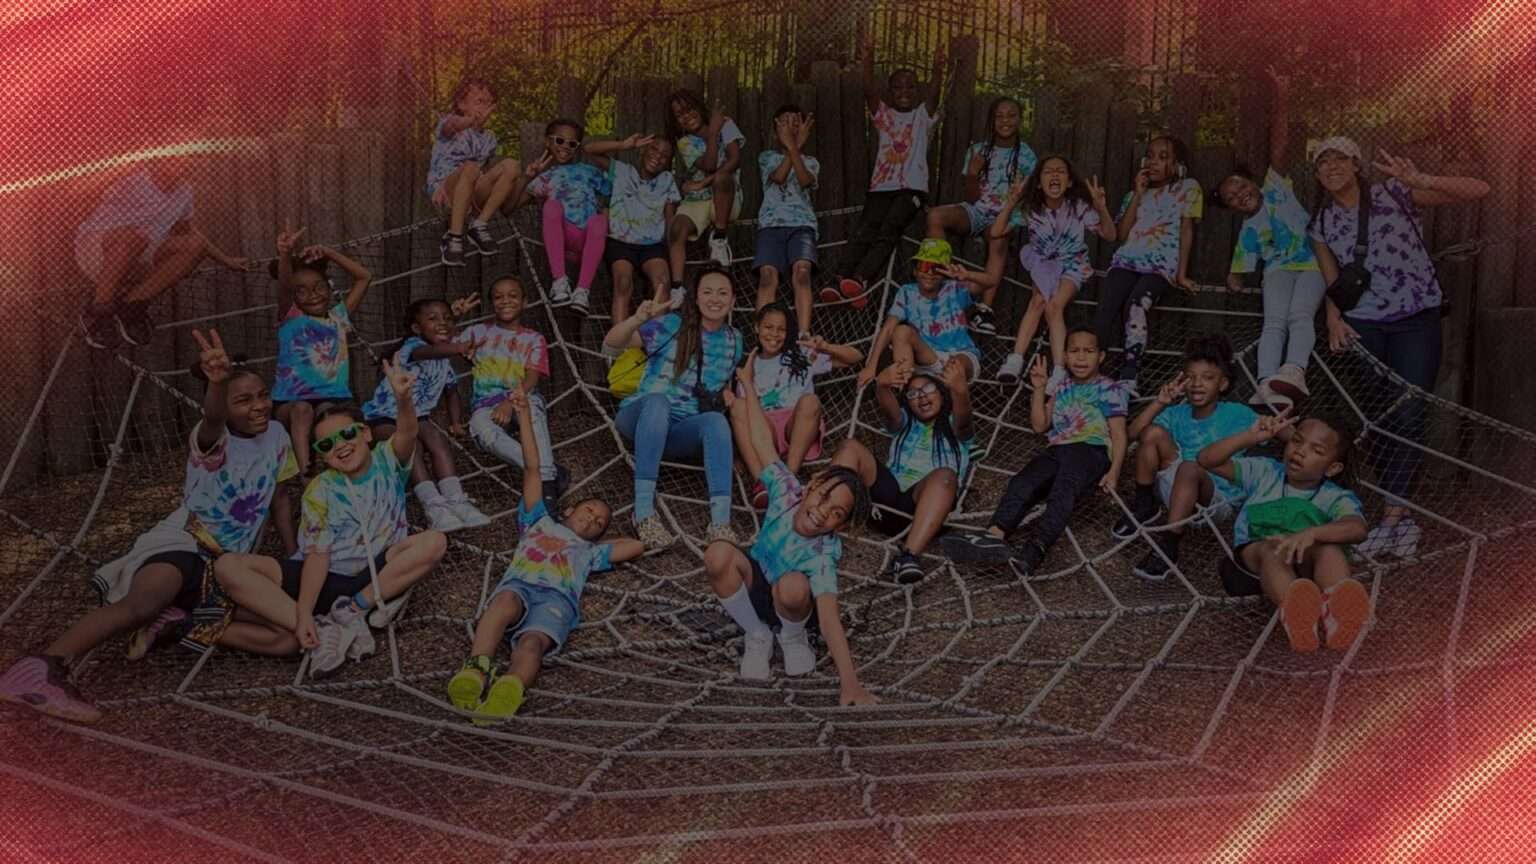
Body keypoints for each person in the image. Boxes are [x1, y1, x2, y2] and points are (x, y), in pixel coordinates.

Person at [0, 330, 296, 723]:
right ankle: (40, 670)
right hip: (185, 543)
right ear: (225, 405)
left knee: (289, 634)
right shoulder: (214, 440)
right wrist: (217, 383)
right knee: (143, 603)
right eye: (243, 400)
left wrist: (293, 553)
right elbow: (211, 419)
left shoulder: (277, 435)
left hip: (225, 567)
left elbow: (280, 496)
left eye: (263, 395)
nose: (259, 406)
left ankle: (177, 622)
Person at [1309, 137, 1489, 559]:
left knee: (1409, 410)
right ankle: (1399, 515)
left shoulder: (1393, 193)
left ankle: (1393, 518)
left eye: (1340, 159)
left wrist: (1421, 179)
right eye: (1323, 162)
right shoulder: (1321, 222)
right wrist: (1334, 320)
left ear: (1356, 164)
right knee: (1379, 416)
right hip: (1364, 325)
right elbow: (1333, 280)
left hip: (1414, 319)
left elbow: (1480, 189)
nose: (1332, 167)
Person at [214, 360, 448, 674]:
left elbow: (407, 431)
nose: (340, 446)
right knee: (227, 566)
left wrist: (404, 399)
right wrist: (304, 612)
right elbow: (317, 555)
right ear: (322, 455)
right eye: (327, 444)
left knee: (435, 541)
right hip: (326, 577)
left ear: (366, 433)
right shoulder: (320, 489)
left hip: (374, 574)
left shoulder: (387, 461)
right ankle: (316, 626)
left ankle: (351, 611)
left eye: (347, 434)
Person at [446, 389, 645, 723]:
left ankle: (510, 688)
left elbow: (635, 547)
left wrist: (601, 540)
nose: (593, 519)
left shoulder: (590, 552)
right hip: (520, 586)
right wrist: (524, 416)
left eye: (599, 523)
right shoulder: (537, 521)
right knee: (504, 601)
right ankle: (476, 669)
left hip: (557, 600)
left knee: (533, 644)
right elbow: (533, 468)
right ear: (567, 509)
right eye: (589, 510)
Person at [705, 360, 877, 705]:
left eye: (836, 513)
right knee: (718, 552)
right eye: (823, 497)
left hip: (793, 605)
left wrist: (850, 683)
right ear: (811, 487)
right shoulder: (787, 490)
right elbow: (760, 439)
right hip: (757, 587)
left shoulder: (823, 554)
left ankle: (792, 637)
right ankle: (757, 634)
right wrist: (748, 385)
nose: (822, 511)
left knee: (795, 585)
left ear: (841, 526)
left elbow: (829, 618)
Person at [942, 328, 1126, 579]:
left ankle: (1034, 549)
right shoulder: (1062, 387)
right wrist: (1039, 389)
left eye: (1089, 351)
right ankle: (994, 535)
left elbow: (1119, 434)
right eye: (1074, 351)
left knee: (1063, 491)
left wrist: (1114, 471)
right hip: (1058, 448)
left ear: (1101, 356)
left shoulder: (1109, 388)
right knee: (1023, 482)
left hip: (1089, 449)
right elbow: (1040, 425)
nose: (1081, 357)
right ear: (1065, 355)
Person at [1198, 412, 1370, 653]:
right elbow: (1206, 460)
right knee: (1273, 548)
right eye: (1297, 441)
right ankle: (1297, 616)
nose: (1300, 452)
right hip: (1250, 570)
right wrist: (1250, 437)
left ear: (1332, 468)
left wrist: (1312, 533)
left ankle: (1337, 616)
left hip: (1306, 572)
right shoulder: (1265, 472)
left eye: (1316, 450)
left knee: (1329, 550)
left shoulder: (1335, 497)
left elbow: (1357, 528)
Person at [605, 264, 744, 548]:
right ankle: (643, 513)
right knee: (659, 402)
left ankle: (720, 523)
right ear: (696, 297)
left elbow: (719, 382)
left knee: (716, 421)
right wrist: (637, 319)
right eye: (707, 292)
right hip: (643, 417)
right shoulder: (670, 325)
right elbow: (611, 346)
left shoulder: (734, 339)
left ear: (733, 300)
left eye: (722, 293)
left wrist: (727, 395)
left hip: (683, 430)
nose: (715, 299)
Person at [942, 157, 1115, 383]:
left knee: (1054, 306)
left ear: (1070, 182)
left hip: (1073, 264)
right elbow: (996, 231)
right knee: (1037, 302)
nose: (1054, 175)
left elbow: (1110, 235)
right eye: (1048, 172)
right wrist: (1012, 200)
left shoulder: (1078, 206)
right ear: (1039, 183)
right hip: (1043, 264)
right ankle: (1015, 360)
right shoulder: (1031, 208)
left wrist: (1101, 207)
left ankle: (1059, 370)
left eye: (1060, 171)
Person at [1214, 67, 1325, 409]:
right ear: (1232, 208)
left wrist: (1283, 95)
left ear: (1253, 181)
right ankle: (1265, 382)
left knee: (1300, 315)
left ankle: (1294, 370)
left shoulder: (1276, 188)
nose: (1239, 194)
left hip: (1312, 263)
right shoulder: (1248, 231)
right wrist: (1233, 280)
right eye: (1232, 197)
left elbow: (1281, 144)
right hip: (1277, 270)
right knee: (1274, 321)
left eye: (1240, 186)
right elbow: (1237, 272)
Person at [1115, 335, 1261, 582]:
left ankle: (1168, 548)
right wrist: (1159, 403)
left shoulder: (1239, 414)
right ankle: (1144, 505)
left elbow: (1280, 430)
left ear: (1223, 383)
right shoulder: (1176, 413)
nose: (1197, 384)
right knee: (1152, 433)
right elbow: (1132, 434)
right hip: (1175, 488)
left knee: (1190, 468)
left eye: (1207, 378)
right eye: (1191, 377)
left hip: (1215, 499)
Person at [76, 160, 250, 348]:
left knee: (195, 245)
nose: (182, 163)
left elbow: (190, 231)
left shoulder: (184, 191)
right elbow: (80, 190)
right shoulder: (132, 177)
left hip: (139, 258)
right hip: (95, 252)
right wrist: (123, 166)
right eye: (176, 158)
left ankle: (132, 307)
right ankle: (98, 310)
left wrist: (225, 260)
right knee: (135, 237)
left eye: (188, 158)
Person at [832, 30, 946, 306]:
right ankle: (839, 278)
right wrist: (868, 58)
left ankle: (861, 278)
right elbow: (869, 89)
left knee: (889, 230)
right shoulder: (884, 116)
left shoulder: (923, 116)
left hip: (911, 190)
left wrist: (938, 69)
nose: (904, 92)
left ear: (917, 91)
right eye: (897, 87)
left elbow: (935, 91)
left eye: (910, 87)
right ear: (890, 91)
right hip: (881, 187)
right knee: (865, 230)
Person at [832, 363, 972, 585]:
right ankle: (826, 511)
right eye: (913, 394)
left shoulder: (955, 427)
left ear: (943, 395)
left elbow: (963, 420)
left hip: (926, 511)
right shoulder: (904, 424)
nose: (921, 396)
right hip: (884, 505)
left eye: (928, 389)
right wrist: (882, 386)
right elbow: (890, 413)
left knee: (945, 475)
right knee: (850, 446)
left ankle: (908, 557)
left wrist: (960, 391)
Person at [361, 296, 491, 532]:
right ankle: (433, 507)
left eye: (447, 319)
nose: (442, 323)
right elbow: (430, 351)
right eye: (433, 319)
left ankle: (456, 500)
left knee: (439, 443)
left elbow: (452, 392)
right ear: (416, 328)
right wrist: (459, 347)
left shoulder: (443, 361)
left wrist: (455, 422)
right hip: (383, 416)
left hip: (417, 415)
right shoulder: (413, 348)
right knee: (413, 448)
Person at [924, 96, 1039, 336]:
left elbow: (1030, 198)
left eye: (1011, 115)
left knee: (998, 238)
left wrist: (1013, 222)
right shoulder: (977, 150)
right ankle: (936, 280)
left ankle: (984, 310)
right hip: (977, 210)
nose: (1005, 121)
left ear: (1020, 120)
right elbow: (972, 197)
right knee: (935, 216)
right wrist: (972, 174)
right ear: (991, 121)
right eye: (999, 116)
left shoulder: (1028, 156)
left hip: (1005, 216)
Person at [1097, 134, 1202, 393]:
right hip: (1126, 260)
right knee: (1106, 308)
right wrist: (1138, 194)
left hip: (1160, 265)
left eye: (1163, 157)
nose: (1153, 162)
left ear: (1178, 165)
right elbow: (1121, 234)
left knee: (1136, 306)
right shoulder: (1134, 194)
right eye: (1150, 156)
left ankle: (1129, 374)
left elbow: (1187, 230)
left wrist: (1181, 274)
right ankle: (1091, 372)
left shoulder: (1188, 188)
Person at [732, 302, 862, 508]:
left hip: (796, 426)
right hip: (764, 429)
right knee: (739, 406)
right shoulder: (748, 364)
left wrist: (825, 347)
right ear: (757, 327)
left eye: (781, 329)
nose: (774, 334)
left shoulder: (801, 355)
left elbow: (855, 358)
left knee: (810, 401)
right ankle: (762, 482)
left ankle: (788, 479)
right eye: (768, 327)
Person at [270, 225, 375, 475]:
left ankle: (338, 474)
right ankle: (307, 474)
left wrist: (329, 253)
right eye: (302, 291)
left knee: (330, 414)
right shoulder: (291, 318)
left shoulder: (338, 317)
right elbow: (284, 286)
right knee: (303, 410)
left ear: (329, 288)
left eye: (319, 287)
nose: (313, 295)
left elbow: (364, 277)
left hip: (334, 399)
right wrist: (285, 254)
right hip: (290, 403)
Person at [461, 277, 566, 503]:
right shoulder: (477, 332)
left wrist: (510, 401)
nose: (505, 301)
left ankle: (547, 489)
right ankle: (548, 471)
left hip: (522, 396)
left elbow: (532, 377)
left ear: (524, 302)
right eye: (498, 297)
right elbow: (441, 342)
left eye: (512, 296)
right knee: (480, 428)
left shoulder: (534, 338)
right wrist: (455, 314)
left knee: (533, 412)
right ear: (491, 303)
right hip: (486, 404)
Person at [511, 118, 613, 313]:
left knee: (600, 220)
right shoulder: (545, 177)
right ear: (548, 142)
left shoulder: (590, 171)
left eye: (572, 144)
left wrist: (609, 212)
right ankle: (559, 282)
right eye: (559, 140)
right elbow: (512, 206)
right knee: (552, 207)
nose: (565, 146)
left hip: (588, 240)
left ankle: (582, 290)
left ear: (577, 147)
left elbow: (616, 191)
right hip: (562, 240)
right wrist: (527, 177)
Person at [856, 238, 982, 392]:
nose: (929, 272)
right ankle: (903, 389)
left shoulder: (956, 287)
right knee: (900, 331)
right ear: (915, 270)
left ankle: (947, 400)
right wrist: (871, 366)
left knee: (954, 368)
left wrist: (967, 275)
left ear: (945, 272)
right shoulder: (907, 292)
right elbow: (888, 328)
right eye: (924, 266)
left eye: (936, 268)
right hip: (929, 357)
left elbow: (990, 282)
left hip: (961, 355)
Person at [583, 133, 683, 321]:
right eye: (654, 149)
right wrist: (623, 144)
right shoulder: (622, 171)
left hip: (653, 245)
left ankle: (658, 334)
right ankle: (620, 337)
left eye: (665, 155)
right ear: (643, 150)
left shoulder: (667, 180)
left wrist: (670, 249)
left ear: (669, 162)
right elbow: (588, 149)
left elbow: (670, 220)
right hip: (620, 242)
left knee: (662, 282)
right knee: (623, 282)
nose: (658, 156)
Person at [428, 76, 519, 267]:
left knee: (511, 165)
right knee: (471, 167)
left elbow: (484, 170)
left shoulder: (490, 138)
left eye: (488, 103)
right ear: (462, 104)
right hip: (446, 192)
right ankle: (454, 237)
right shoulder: (449, 122)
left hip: (472, 193)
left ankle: (479, 225)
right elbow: (453, 126)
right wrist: (471, 120)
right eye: (479, 101)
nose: (484, 107)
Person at [754, 106, 820, 333]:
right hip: (770, 226)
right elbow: (779, 177)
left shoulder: (811, 162)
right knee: (767, 277)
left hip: (802, 226)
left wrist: (794, 148)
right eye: (785, 122)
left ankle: (804, 334)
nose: (791, 126)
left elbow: (804, 180)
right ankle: (763, 332)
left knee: (802, 273)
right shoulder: (767, 158)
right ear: (776, 132)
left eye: (796, 122)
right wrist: (794, 146)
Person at [668, 90, 744, 268]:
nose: (687, 116)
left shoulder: (726, 124)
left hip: (725, 198)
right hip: (697, 200)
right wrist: (713, 134)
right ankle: (677, 283)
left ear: (699, 106)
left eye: (689, 109)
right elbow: (709, 164)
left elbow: (734, 160)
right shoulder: (685, 142)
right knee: (677, 228)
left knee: (722, 177)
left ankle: (719, 238)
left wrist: (702, 182)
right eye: (679, 114)